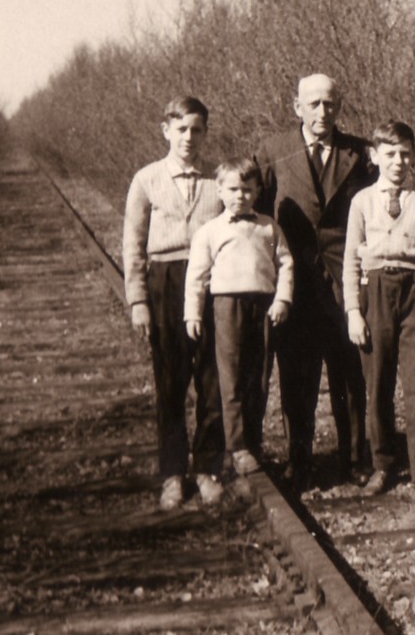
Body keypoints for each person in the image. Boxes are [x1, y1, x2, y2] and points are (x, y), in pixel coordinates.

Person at [255, 73, 374, 491]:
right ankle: (298, 461)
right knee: (297, 378)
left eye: (329, 103)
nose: (322, 112)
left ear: (339, 106)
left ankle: (356, 460)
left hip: (346, 284)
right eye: (314, 104)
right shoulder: (272, 151)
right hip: (296, 287)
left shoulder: (359, 153)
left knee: (351, 376)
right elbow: (254, 215)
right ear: (297, 106)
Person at [343, 120, 415, 511]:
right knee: (377, 384)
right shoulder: (362, 201)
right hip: (375, 293)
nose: (398, 161)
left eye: (405, 153)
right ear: (374, 157)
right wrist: (354, 312)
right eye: (389, 154)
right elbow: (350, 262)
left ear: (414, 156)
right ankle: (383, 465)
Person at [122, 95, 225, 510]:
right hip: (164, 281)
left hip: (210, 280)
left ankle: (207, 467)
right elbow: (132, 243)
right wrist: (138, 300)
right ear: (165, 130)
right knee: (170, 380)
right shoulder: (146, 180)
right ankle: (172, 473)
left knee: (213, 379)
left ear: (205, 133)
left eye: (196, 130)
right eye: (181, 129)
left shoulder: (219, 180)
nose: (188, 138)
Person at [184, 157, 294, 479]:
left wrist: (282, 299)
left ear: (258, 191)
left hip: (262, 306)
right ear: (219, 190)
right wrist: (193, 313)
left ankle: (253, 442)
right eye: (232, 189)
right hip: (227, 306)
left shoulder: (268, 227)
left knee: (258, 377)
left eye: (247, 189)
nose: (239, 196)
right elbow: (197, 276)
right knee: (230, 377)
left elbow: (286, 265)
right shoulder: (211, 231)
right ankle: (236, 446)